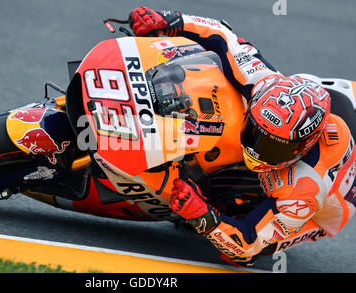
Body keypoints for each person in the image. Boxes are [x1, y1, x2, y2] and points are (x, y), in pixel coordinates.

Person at [129, 7, 356, 266]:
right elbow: (221, 34)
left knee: (238, 255)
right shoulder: (265, 85)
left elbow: (246, 244)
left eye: (272, 147)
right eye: (257, 133)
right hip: (334, 98)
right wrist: (170, 20)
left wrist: (203, 215)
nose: (256, 151)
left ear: (301, 149)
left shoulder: (304, 190)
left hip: (331, 204)